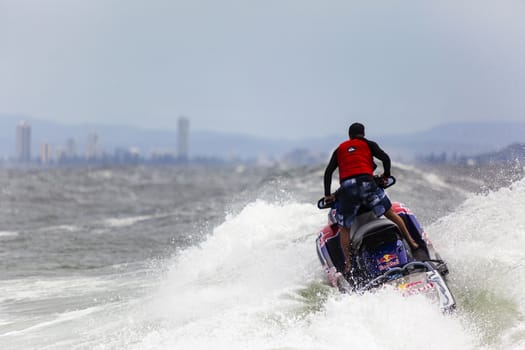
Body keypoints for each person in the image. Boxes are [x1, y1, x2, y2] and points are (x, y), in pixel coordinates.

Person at [323, 122, 419, 273]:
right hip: (367, 183)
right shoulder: (368, 144)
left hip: (348, 189)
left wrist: (328, 195)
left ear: (349, 136)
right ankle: (412, 242)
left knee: (344, 229)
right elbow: (386, 158)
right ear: (363, 134)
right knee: (391, 213)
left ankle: (348, 263)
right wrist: (386, 175)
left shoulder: (340, 149)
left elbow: (328, 172)